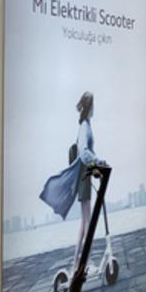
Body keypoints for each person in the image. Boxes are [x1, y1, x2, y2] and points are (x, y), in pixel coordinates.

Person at [39, 92, 103, 268]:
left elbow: (87, 152)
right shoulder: (85, 127)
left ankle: (76, 263)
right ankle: (86, 262)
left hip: (84, 175)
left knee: (84, 221)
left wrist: (96, 164)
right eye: (93, 104)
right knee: (87, 222)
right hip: (84, 175)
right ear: (90, 106)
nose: (94, 108)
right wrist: (98, 162)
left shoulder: (85, 125)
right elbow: (84, 152)